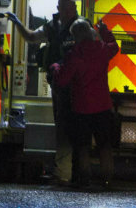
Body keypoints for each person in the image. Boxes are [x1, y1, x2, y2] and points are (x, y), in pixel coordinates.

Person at [4, 0, 89, 183]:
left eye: (73, 7)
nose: (72, 10)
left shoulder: (82, 25)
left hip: (77, 87)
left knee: (72, 129)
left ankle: (69, 174)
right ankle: (68, 173)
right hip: (59, 85)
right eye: (68, 7)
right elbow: (31, 37)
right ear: (59, 8)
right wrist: (18, 24)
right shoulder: (51, 26)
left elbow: (93, 46)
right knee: (63, 127)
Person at [50, 19, 118, 188]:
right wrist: (104, 30)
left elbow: (62, 80)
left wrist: (55, 67)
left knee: (83, 147)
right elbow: (114, 46)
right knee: (104, 146)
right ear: (89, 32)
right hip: (102, 106)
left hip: (81, 108)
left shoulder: (73, 55)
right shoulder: (102, 50)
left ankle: (85, 179)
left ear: (76, 36)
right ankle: (107, 180)